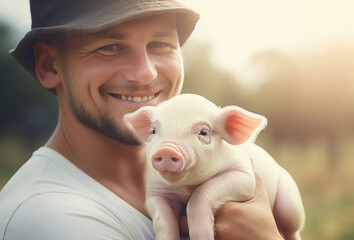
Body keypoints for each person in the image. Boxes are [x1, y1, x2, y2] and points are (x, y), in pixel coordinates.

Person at [0, 0, 283, 239]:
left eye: (160, 44)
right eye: (109, 47)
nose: (146, 73)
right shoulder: (49, 221)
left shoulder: (199, 174)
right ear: (50, 65)